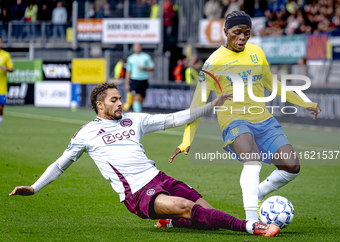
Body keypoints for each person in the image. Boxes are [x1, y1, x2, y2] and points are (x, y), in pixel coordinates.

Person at [8, 83, 279, 237]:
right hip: (138, 193)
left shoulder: (134, 120)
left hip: (160, 178)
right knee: (186, 206)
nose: (120, 103)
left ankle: (170, 221)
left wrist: (212, 105)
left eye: (120, 99)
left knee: (205, 215)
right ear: (100, 105)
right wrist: (34, 187)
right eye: (114, 100)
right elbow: (60, 164)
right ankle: (251, 227)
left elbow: (174, 118)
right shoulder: (86, 133)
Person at [170, 11, 321, 222]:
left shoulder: (257, 52)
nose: (242, 37)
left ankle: (257, 193)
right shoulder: (213, 63)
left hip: (264, 119)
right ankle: (252, 222)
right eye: (237, 32)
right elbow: (198, 103)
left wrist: (305, 103)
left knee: (291, 166)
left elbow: (272, 84)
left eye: (247, 33)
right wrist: (186, 140)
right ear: (226, 32)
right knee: (252, 161)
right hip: (234, 120)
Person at [125, 43, 154, 113]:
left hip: (143, 80)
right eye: (136, 46)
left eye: (138, 46)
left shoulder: (146, 57)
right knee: (136, 97)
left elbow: (152, 68)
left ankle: (138, 112)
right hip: (134, 80)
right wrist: (126, 83)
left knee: (141, 99)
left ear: (141, 47)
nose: (137, 48)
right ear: (133, 48)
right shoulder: (130, 58)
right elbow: (128, 71)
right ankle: (137, 115)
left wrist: (144, 68)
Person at [0, 36, 14, 128]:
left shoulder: (6, 55)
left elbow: (12, 68)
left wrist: (6, 68)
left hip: (2, 87)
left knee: (0, 108)